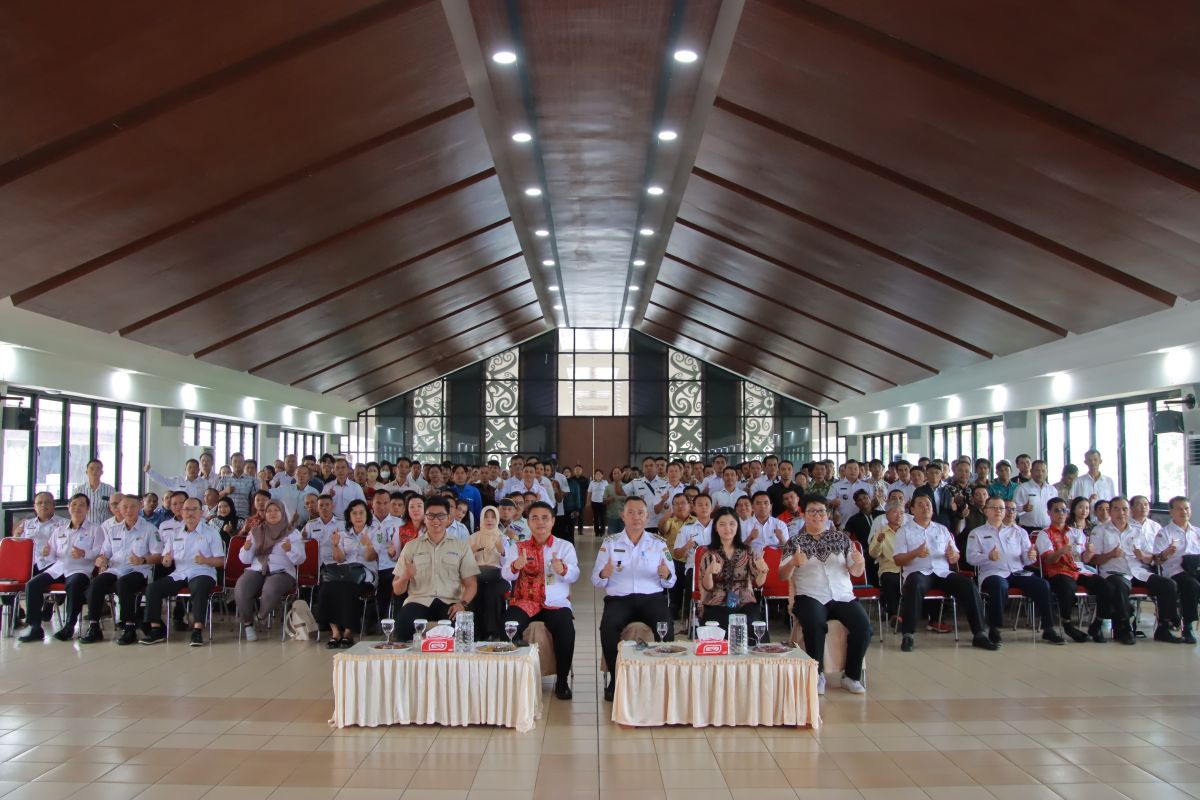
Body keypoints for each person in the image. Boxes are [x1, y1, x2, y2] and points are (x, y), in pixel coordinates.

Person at [780, 495, 871, 694]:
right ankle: (817, 674)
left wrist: (860, 562)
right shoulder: (794, 542)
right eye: (812, 511)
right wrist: (793, 562)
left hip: (842, 596)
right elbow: (782, 575)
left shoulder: (842, 539)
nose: (817, 515)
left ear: (827, 515)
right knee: (814, 624)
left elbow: (855, 572)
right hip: (809, 596)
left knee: (864, 627)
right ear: (803, 515)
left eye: (821, 511)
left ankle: (851, 676)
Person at [593, 496, 675, 702]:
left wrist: (666, 575)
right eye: (631, 512)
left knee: (666, 626)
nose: (636, 517)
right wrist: (604, 573)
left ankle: (664, 677)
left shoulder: (658, 544)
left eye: (640, 513)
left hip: (652, 598)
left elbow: (671, 581)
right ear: (623, 516)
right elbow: (596, 579)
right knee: (607, 628)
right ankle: (615, 678)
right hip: (619, 600)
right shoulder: (610, 543)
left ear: (647, 517)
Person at [893, 495, 997, 652]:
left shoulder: (942, 529)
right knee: (914, 584)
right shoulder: (904, 531)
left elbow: (955, 555)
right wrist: (915, 553)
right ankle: (908, 635)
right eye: (920, 504)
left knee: (968, 585)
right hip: (918, 573)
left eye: (928, 504)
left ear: (932, 509)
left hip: (942, 572)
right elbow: (898, 560)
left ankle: (980, 634)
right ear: (912, 509)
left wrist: (953, 555)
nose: (925, 507)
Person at [501, 502, 580, 700]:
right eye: (534, 518)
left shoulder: (564, 546)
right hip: (525, 600)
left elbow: (575, 575)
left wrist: (563, 569)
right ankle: (515, 676)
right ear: (528, 522)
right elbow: (505, 574)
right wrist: (515, 565)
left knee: (566, 629)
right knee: (509, 625)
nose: (540, 522)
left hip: (555, 602)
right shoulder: (518, 546)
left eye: (545, 518)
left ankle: (562, 681)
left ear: (553, 521)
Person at [966, 498, 1065, 645]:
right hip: (993, 573)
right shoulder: (977, 533)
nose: (999, 511)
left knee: (1042, 585)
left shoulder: (1019, 532)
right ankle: (994, 628)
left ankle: (1048, 629)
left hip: (1017, 572)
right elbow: (970, 558)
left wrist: (1030, 556)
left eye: (1001, 508)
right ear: (986, 511)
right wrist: (988, 557)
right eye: (994, 508)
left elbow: (1026, 559)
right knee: (999, 585)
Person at [1089, 497, 1184, 644]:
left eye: (1125, 509)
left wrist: (1144, 557)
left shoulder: (1137, 530)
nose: (1121, 513)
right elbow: (1093, 560)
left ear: (1130, 511)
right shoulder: (1100, 530)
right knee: (1120, 586)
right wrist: (1111, 555)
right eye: (1116, 509)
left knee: (1168, 584)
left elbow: (1152, 558)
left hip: (1138, 571)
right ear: (1110, 511)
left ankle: (1164, 628)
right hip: (1114, 572)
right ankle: (1124, 628)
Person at [393, 496, 480, 641]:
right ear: (424, 518)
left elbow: (471, 584)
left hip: (449, 602)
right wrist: (405, 576)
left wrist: (462, 604)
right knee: (403, 628)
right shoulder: (411, 547)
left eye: (441, 516)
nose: (436, 520)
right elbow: (397, 589)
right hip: (418, 600)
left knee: (461, 631)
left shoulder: (461, 547)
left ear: (448, 518)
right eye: (431, 516)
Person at [141, 497, 225, 646]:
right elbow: (166, 558)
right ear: (182, 512)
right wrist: (166, 561)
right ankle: (155, 630)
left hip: (203, 572)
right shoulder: (175, 533)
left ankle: (197, 631)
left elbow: (221, 561)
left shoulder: (211, 533)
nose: (189, 513)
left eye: (194, 509)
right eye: (186, 509)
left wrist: (206, 560)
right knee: (153, 588)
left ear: (201, 512)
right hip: (180, 573)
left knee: (199, 588)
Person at [18, 494, 102, 642]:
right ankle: (35, 627)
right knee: (32, 584)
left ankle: (69, 626)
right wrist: (47, 552)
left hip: (80, 569)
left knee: (74, 584)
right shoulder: (60, 530)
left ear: (87, 508)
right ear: (68, 507)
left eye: (81, 505)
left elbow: (100, 552)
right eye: (74, 504)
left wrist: (84, 553)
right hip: (58, 568)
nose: (77, 508)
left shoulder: (95, 529)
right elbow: (52, 557)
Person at [80, 494, 162, 645]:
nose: (128, 510)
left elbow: (158, 556)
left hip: (139, 570)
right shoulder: (113, 530)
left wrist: (143, 559)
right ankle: (94, 626)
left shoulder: (150, 529)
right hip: (116, 569)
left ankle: (129, 627)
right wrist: (101, 560)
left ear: (139, 507)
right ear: (119, 509)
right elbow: (105, 553)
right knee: (95, 583)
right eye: (125, 507)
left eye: (132, 507)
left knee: (123, 583)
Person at [1036, 497, 1113, 643]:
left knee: (1107, 587)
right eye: (1057, 510)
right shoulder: (1045, 534)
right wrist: (1061, 552)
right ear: (1049, 513)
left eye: (1064, 510)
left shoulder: (1076, 532)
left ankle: (1097, 624)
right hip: (1058, 570)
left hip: (1078, 569)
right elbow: (1048, 559)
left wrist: (1089, 553)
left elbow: (1085, 558)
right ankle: (1067, 624)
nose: (1061, 513)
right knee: (1068, 588)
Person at [236, 500, 305, 641]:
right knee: (241, 588)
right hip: (257, 568)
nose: (272, 513)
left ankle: (259, 617)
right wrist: (246, 549)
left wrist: (290, 550)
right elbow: (245, 560)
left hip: (282, 571)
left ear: (283, 513)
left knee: (271, 588)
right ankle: (248, 624)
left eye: (276, 510)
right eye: (269, 511)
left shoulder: (292, 533)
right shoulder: (256, 531)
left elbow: (300, 559)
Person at [699, 506, 767, 635]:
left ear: (737, 526)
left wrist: (763, 571)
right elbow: (707, 587)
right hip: (717, 603)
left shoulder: (748, 551)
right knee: (717, 625)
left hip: (745, 602)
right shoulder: (709, 554)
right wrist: (708, 572)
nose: (727, 528)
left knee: (751, 623)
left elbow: (758, 583)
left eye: (732, 524)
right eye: (722, 524)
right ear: (715, 528)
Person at [318, 498, 377, 648]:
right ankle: (335, 633)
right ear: (349, 517)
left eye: (361, 513)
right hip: (345, 572)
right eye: (354, 513)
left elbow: (371, 558)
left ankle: (348, 632)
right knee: (326, 588)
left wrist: (369, 545)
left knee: (349, 589)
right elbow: (339, 559)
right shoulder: (343, 534)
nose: (358, 516)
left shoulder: (375, 532)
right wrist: (335, 545)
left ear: (367, 515)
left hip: (365, 575)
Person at [1159, 497, 1200, 644]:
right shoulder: (1165, 533)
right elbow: (1157, 559)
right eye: (1179, 509)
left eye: (1186, 508)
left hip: (1195, 568)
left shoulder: (1197, 532)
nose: (1184, 512)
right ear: (1171, 512)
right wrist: (1166, 553)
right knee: (1192, 585)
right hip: (1175, 571)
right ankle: (1187, 626)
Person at [468, 506, 507, 641]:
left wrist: (503, 552)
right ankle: (475, 632)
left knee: (492, 593)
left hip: (498, 576)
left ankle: (492, 632)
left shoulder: (503, 538)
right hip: (476, 575)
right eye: (486, 516)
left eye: (493, 517)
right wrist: (471, 552)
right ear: (481, 519)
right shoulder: (472, 538)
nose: (489, 520)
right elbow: (463, 563)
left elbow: (508, 565)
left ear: (497, 519)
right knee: (474, 591)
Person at [659, 492, 696, 623]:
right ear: (673, 507)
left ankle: (688, 612)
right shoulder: (670, 521)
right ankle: (674, 607)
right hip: (675, 560)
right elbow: (662, 530)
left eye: (683, 503)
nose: (680, 506)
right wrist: (665, 517)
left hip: (692, 561)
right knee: (674, 571)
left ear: (690, 506)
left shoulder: (696, 522)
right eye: (676, 504)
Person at [869, 499, 906, 621]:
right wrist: (879, 542)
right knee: (890, 579)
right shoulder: (881, 531)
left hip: (907, 568)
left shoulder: (908, 530)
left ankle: (911, 613)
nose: (899, 516)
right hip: (889, 568)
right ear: (887, 515)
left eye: (901, 513)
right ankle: (894, 615)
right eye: (895, 512)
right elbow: (873, 554)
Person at [843, 489, 882, 584]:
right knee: (873, 582)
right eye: (859, 500)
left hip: (884, 551)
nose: (863, 501)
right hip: (867, 555)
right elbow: (845, 538)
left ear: (870, 499)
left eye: (865, 498)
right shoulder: (853, 520)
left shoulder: (881, 515)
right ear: (856, 504)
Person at [1014, 460, 1057, 534]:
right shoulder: (1022, 488)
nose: (1040, 474)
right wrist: (1023, 508)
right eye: (1037, 470)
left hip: (1049, 530)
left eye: (1043, 471)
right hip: (1028, 530)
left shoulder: (1052, 490)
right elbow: (1013, 509)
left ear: (1047, 472)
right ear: (1031, 471)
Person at [825, 459, 872, 528]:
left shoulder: (866, 486)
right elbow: (827, 502)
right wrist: (832, 503)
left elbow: (871, 504)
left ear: (859, 470)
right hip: (843, 524)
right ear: (845, 470)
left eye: (855, 468)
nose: (853, 471)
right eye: (850, 468)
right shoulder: (836, 486)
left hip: (864, 524)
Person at [741, 491, 789, 556]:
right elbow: (739, 551)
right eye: (758, 503)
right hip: (753, 559)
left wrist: (781, 539)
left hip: (776, 559)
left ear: (771, 506)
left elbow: (787, 551)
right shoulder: (744, 525)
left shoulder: (780, 524)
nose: (763, 506)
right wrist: (749, 539)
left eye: (766, 503)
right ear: (752, 507)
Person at [72, 459, 116, 526]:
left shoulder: (110, 490)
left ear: (102, 472)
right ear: (86, 472)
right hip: (85, 528)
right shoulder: (78, 490)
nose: (94, 471)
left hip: (105, 527)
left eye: (98, 469)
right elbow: (73, 509)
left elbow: (116, 509)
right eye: (91, 469)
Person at [145, 458, 209, 500]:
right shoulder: (177, 480)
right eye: (190, 467)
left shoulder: (205, 483)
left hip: (198, 512)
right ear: (185, 470)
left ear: (198, 470)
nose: (192, 469)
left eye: (195, 467)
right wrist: (149, 471)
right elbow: (162, 480)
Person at [216, 452, 256, 520]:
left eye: (240, 461)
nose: (237, 464)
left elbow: (253, 501)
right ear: (231, 463)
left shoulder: (251, 480)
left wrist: (252, 517)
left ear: (244, 463)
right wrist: (225, 491)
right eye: (235, 461)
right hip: (226, 516)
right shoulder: (224, 479)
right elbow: (216, 497)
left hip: (244, 516)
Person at [603, 467, 625, 534]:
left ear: (622, 474)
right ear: (612, 475)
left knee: (623, 537)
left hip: (624, 517)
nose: (616, 475)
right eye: (614, 473)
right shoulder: (608, 487)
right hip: (612, 516)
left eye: (618, 473)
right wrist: (609, 499)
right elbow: (604, 500)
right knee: (612, 537)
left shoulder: (626, 486)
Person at [588, 469, 609, 535]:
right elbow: (589, 492)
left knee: (603, 518)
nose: (598, 475)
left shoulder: (605, 482)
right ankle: (597, 532)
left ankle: (602, 532)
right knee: (596, 518)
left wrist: (608, 500)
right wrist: (588, 501)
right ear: (595, 475)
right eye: (597, 474)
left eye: (600, 474)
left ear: (602, 475)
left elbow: (608, 491)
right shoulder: (592, 482)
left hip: (603, 502)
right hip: (594, 502)